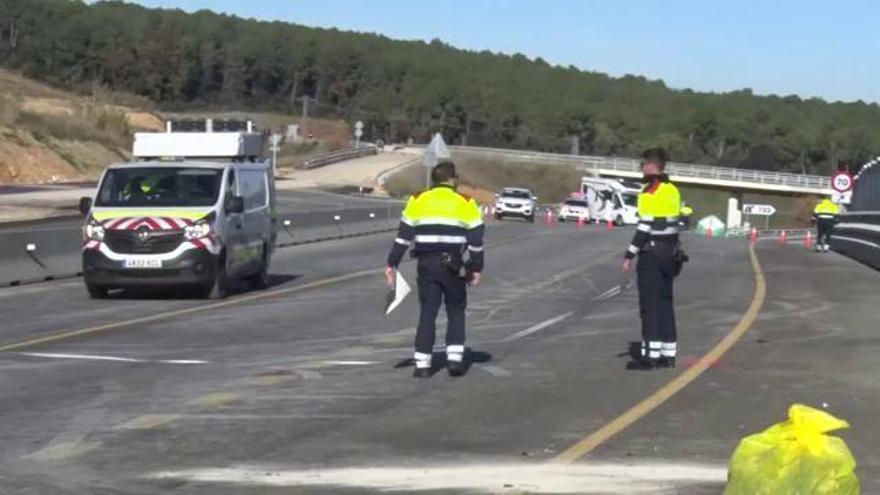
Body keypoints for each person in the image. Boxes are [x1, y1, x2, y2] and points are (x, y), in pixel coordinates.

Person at [385, 161, 484, 378]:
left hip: (426, 264)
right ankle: (455, 362)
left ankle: (422, 365)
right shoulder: (466, 201)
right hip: (454, 265)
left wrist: (392, 263)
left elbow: (403, 237)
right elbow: (476, 239)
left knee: (428, 312)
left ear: (435, 179)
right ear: (452, 179)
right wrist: (476, 267)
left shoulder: (418, 199)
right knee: (456, 311)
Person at [622, 148, 682, 370]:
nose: (641, 168)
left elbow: (645, 226)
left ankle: (650, 357)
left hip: (652, 254)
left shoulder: (650, 191)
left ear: (650, 165)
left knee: (649, 305)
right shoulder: (672, 190)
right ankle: (668, 354)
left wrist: (630, 254)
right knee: (665, 303)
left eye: (643, 164)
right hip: (670, 254)